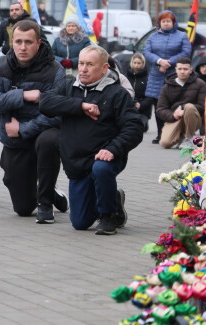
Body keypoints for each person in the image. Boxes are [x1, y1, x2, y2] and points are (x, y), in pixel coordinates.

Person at [39, 45, 142, 235]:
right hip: (77, 163)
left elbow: (135, 127)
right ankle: (113, 199)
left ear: (104, 69)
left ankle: (109, 216)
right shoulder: (68, 86)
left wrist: (113, 148)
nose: (83, 69)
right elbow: (45, 102)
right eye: (81, 63)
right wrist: (81, 105)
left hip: (104, 158)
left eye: (90, 64)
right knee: (80, 223)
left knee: (101, 168)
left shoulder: (117, 93)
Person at [0, 19, 67, 224]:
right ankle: (49, 192)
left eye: (28, 42)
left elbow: (58, 112)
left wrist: (24, 128)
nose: (22, 47)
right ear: (11, 42)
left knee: (48, 142)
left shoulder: (55, 70)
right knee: (23, 209)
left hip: (43, 131)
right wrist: (24, 96)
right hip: (14, 139)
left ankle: (46, 203)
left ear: (38, 43)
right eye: (18, 41)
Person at [144, 11, 192, 143]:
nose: (165, 23)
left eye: (168, 21)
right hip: (156, 75)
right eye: (163, 21)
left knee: (175, 104)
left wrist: (168, 63)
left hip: (174, 74)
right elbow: (147, 51)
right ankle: (160, 134)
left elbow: (186, 52)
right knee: (159, 105)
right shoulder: (153, 37)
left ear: (173, 22)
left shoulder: (182, 36)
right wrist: (159, 61)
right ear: (159, 23)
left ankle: (177, 133)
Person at [155, 57, 206, 149]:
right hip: (175, 119)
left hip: (194, 117)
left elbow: (203, 106)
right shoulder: (167, 86)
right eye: (180, 69)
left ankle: (188, 138)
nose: (182, 72)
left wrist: (183, 109)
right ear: (176, 70)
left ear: (190, 70)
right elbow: (160, 109)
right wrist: (173, 115)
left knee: (189, 107)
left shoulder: (200, 84)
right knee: (165, 143)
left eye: (185, 69)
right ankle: (181, 137)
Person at [124, 53, 152, 132]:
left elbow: (150, 97)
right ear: (131, 63)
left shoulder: (148, 78)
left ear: (143, 64)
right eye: (135, 63)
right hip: (129, 106)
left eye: (139, 63)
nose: (136, 65)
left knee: (137, 127)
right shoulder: (125, 77)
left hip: (143, 108)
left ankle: (144, 123)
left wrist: (140, 104)